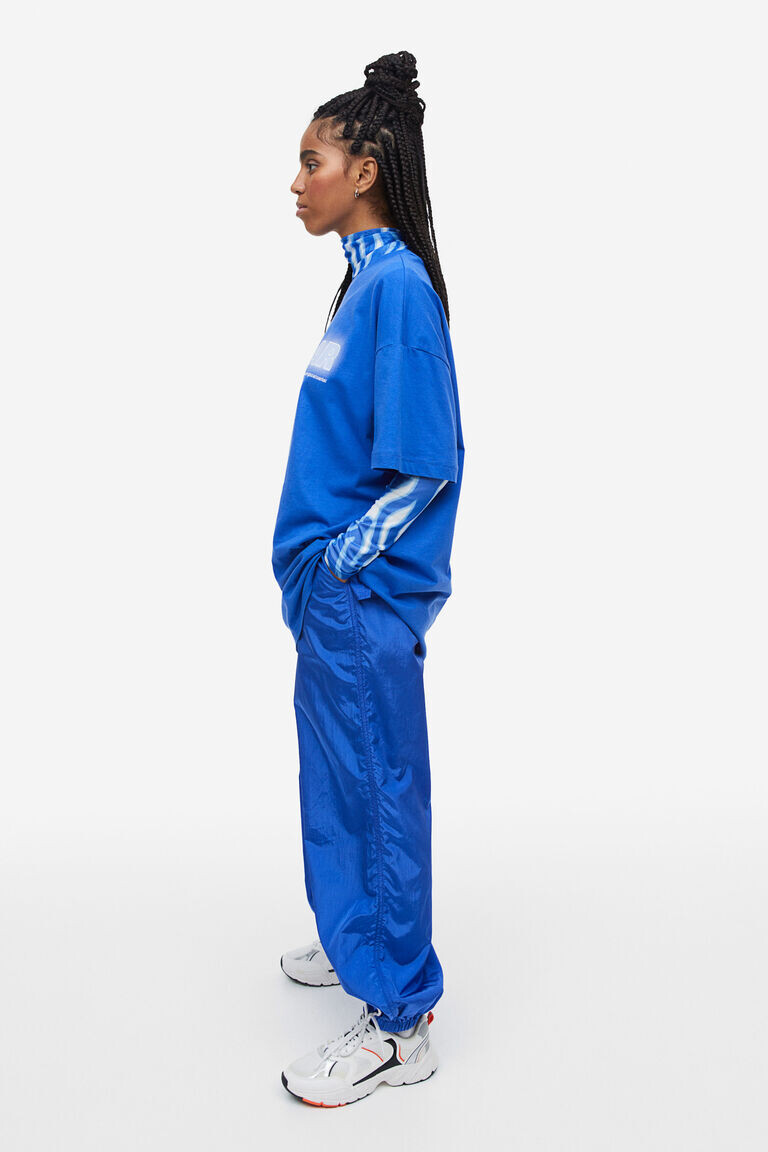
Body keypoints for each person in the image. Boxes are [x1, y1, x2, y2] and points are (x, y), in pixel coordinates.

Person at [271, 50, 465, 1108]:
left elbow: (427, 465)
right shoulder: (360, 285)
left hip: (360, 600)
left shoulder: (398, 290)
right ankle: (355, 932)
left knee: (379, 793)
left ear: (367, 168)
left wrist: (343, 568)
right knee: (340, 785)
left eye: (313, 161)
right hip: (327, 599)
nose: (297, 182)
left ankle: (398, 1020)